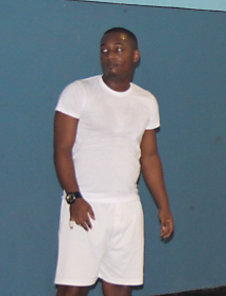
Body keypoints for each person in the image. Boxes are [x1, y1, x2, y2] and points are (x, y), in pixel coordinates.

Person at [53, 27, 175, 296]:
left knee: (120, 289)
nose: (110, 55)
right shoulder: (78, 92)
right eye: (104, 50)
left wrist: (163, 207)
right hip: (86, 205)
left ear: (135, 56)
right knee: (73, 288)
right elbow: (62, 150)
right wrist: (74, 198)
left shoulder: (146, 101)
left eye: (118, 49)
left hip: (127, 209)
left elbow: (150, 157)